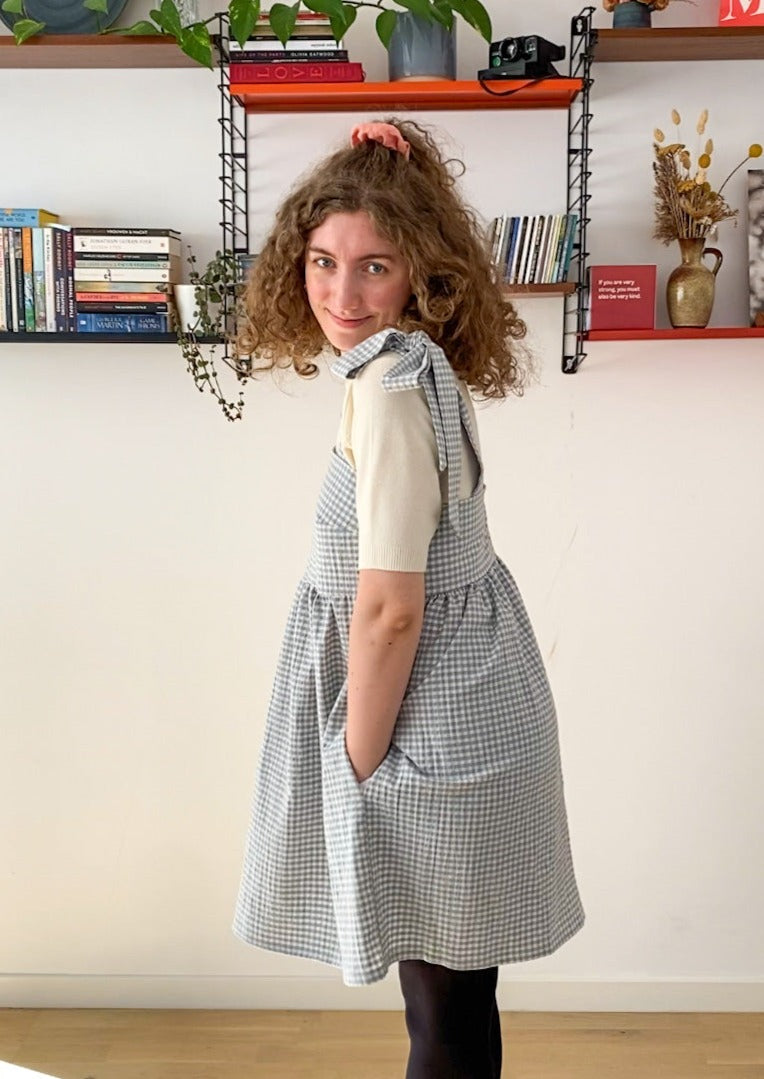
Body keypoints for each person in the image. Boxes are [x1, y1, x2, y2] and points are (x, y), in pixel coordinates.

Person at [232, 118, 585, 1078]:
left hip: (422, 724)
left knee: (443, 1016)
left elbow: (389, 607)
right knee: (458, 1002)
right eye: (321, 261)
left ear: (424, 274)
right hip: (474, 706)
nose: (340, 294)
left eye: (374, 265)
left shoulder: (388, 393)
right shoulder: (417, 369)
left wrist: (354, 760)